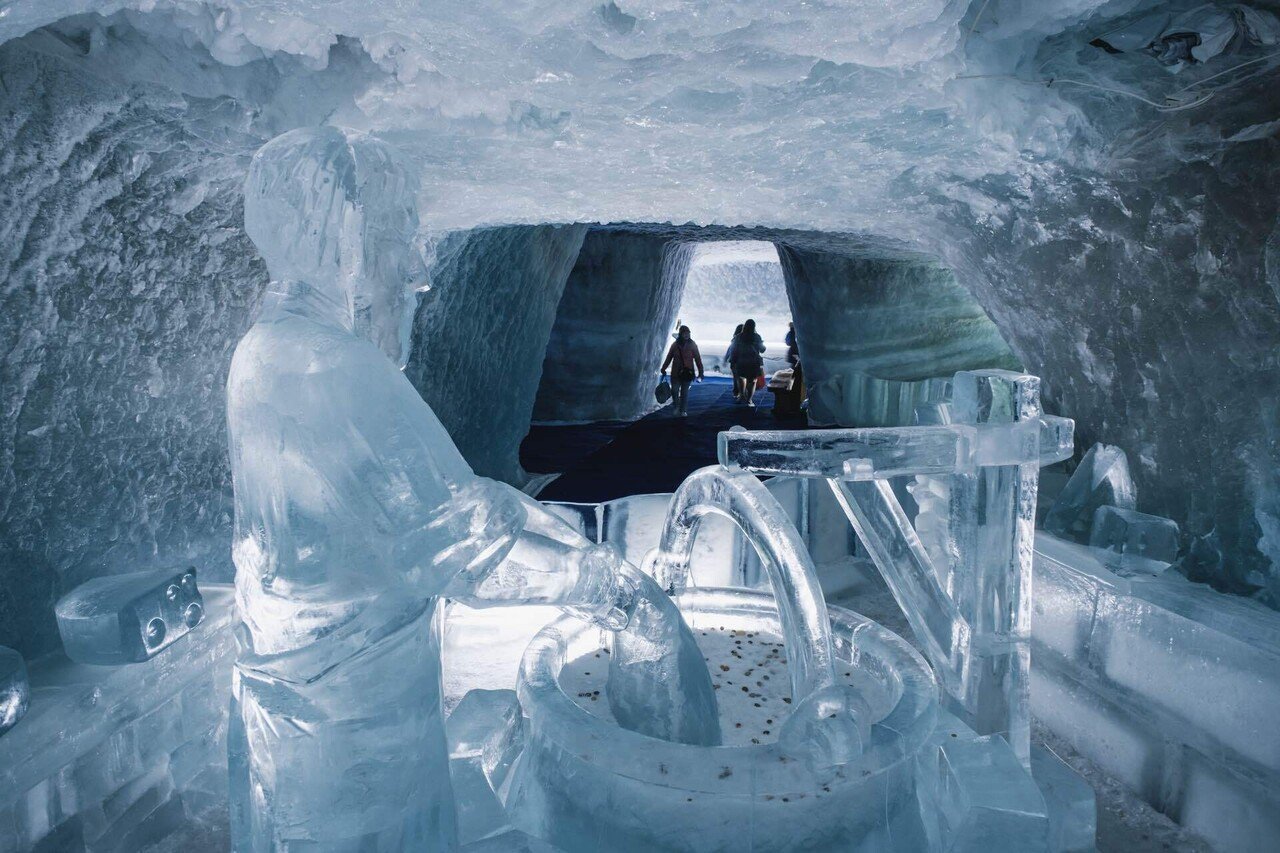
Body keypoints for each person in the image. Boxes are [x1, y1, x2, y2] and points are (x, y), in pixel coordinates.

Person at [225, 127, 638, 851]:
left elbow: (377, 526)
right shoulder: (330, 366)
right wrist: (604, 579)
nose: (417, 267)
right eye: (399, 231)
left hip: (300, 736)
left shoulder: (262, 351)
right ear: (342, 230)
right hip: (359, 758)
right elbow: (462, 543)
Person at [660, 325, 704, 417]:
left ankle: (683, 410)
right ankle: (676, 407)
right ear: (681, 334)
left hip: (688, 373)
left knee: (684, 392)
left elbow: (697, 359)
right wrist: (663, 368)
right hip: (676, 373)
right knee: (674, 391)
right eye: (685, 333)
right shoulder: (675, 345)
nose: (687, 335)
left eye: (688, 333)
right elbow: (669, 358)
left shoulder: (692, 344)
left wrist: (701, 372)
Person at [729, 318, 766, 407]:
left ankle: (741, 396)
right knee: (752, 381)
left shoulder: (738, 337)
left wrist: (733, 362)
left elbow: (734, 350)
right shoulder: (757, 337)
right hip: (753, 362)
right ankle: (749, 400)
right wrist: (762, 344)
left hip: (741, 362)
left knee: (741, 378)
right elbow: (762, 350)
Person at [725, 323, 744, 399]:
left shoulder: (734, 339)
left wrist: (726, 358)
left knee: (736, 378)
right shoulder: (747, 340)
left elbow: (730, 349)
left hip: (734, 361)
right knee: (741, 377)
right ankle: (741, 392)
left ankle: (736, 392)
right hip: (742, 361)